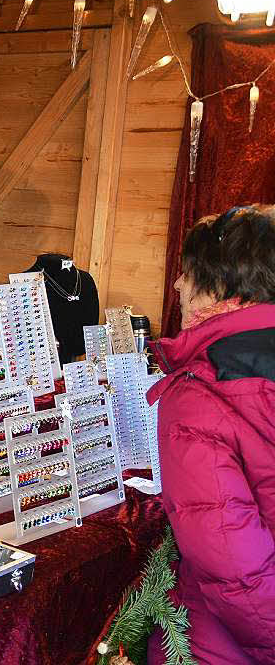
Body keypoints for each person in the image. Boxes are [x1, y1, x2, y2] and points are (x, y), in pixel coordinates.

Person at [146, 204, 275, 665]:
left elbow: (232, 564)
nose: (178, 285)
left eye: (187, 273)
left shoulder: (200, 392)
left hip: (222, 643)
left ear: (221, 286)